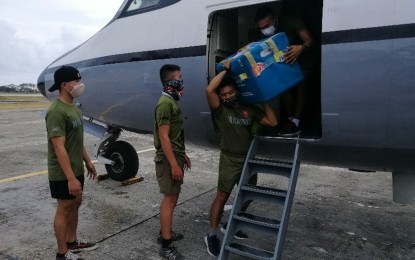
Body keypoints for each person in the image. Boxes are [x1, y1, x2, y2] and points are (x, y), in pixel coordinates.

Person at [204, 60, 278, 257]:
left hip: (247, 161)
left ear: (237, 92)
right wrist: (226, 70)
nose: (228, 97)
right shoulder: (221, 110)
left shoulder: (248, 109)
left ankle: (231, 224)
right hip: (229, 160)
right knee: (222, 196)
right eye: (224, 95)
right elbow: (210, 90)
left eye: (231, 93)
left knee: (249, 194)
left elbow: (272, 121)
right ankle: (212, 234)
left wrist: (262, 99)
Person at [45, 66, 98, 260]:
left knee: (76, 203)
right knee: (64, 208)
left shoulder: (73, 108)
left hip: (76, 168)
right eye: (76, 82)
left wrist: (88, 161)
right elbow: (59, 147)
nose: (80, 85)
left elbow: (77, 140)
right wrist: (70, 178)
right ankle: (62, 254)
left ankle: (72, 241)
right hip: (62, 172)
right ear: (64, 85)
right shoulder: (56, 111)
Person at [254, 5, 314, 136]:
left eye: (267, 25)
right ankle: (290, 119)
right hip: (283, 59)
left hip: (302, 56)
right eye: (262, 27)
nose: (265, 29)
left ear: (275, 19)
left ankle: (296, 121)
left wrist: (301, 48)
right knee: (284, 88)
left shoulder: (290, 21)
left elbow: (309, 40)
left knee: (300, 86)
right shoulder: (262, 33)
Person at [154, 64, 192, 260]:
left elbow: (174, 136)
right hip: (168, 160)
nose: (182, 81)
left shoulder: (171, 102)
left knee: (173, 197)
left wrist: (182, 155)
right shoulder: (165, 104)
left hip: (174, 156)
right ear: (170, 82)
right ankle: (166, 245)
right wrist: (174, 164)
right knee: (169, 200)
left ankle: (165, 232)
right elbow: (164, 137)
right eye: (179, 77)